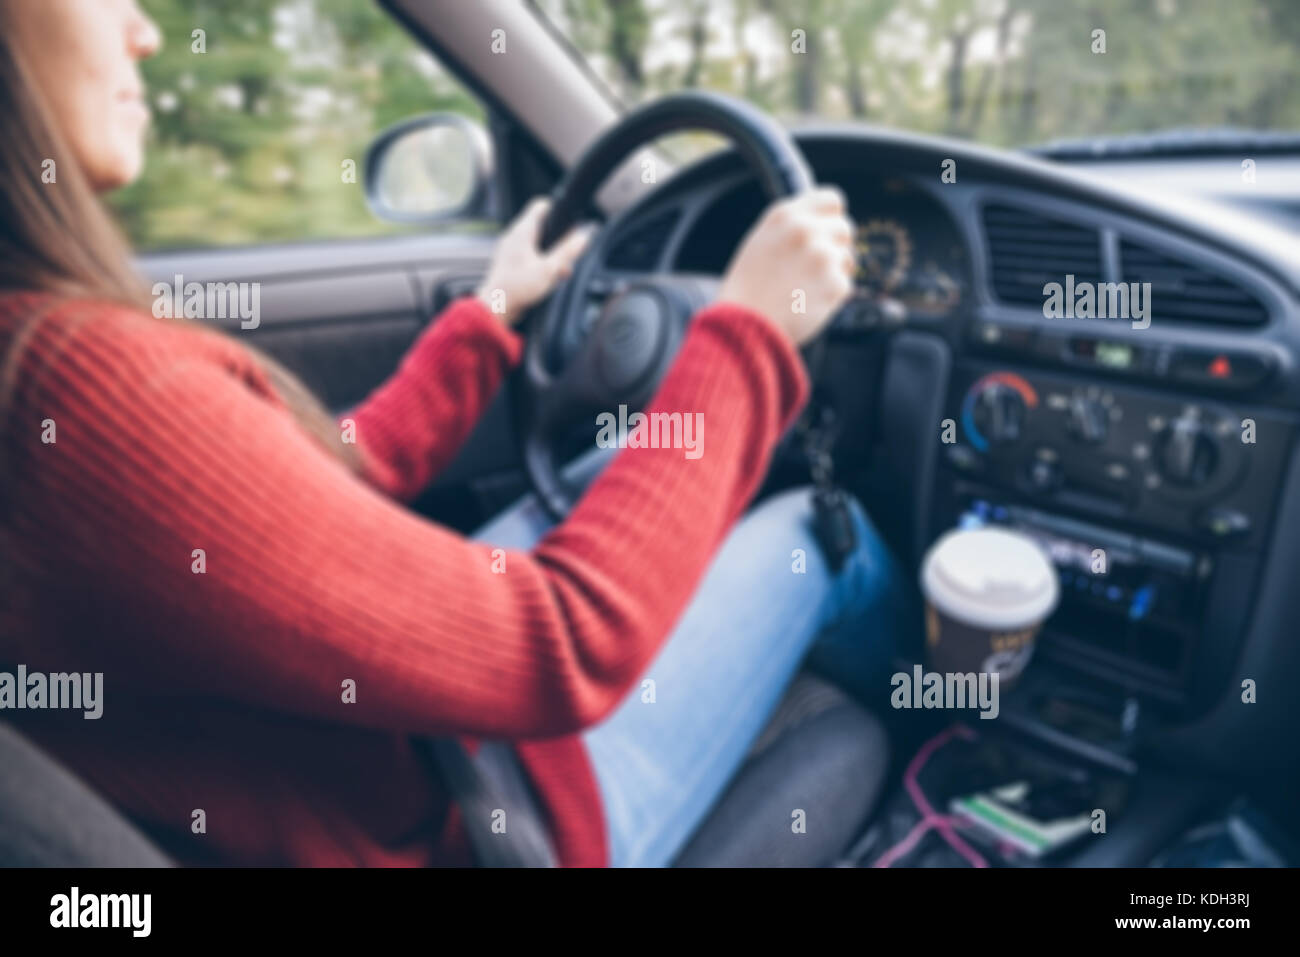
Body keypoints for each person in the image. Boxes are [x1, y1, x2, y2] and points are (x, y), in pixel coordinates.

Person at [0, 0, 908, 867]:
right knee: (821, 535)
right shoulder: (73, 389)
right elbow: (558, 644)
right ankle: (961, 723)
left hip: (409, 754)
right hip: (488, 826)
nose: (147, 32)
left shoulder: (39, 366)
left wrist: (489, 311)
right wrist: (746, 333)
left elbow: (319, 486)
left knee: (607, 470)